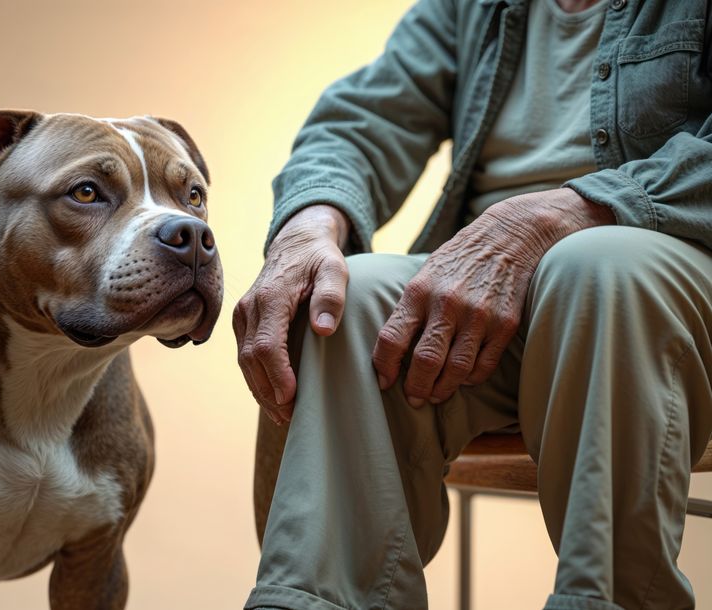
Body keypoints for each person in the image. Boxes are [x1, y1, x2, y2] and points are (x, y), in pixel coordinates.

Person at [234, 0, 712, 608]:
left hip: (665, 271)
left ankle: (608, 598)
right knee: (341, 304)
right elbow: (359, 124)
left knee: (594, 266)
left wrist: (562, 212)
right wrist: (308, 225)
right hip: (491, 296)